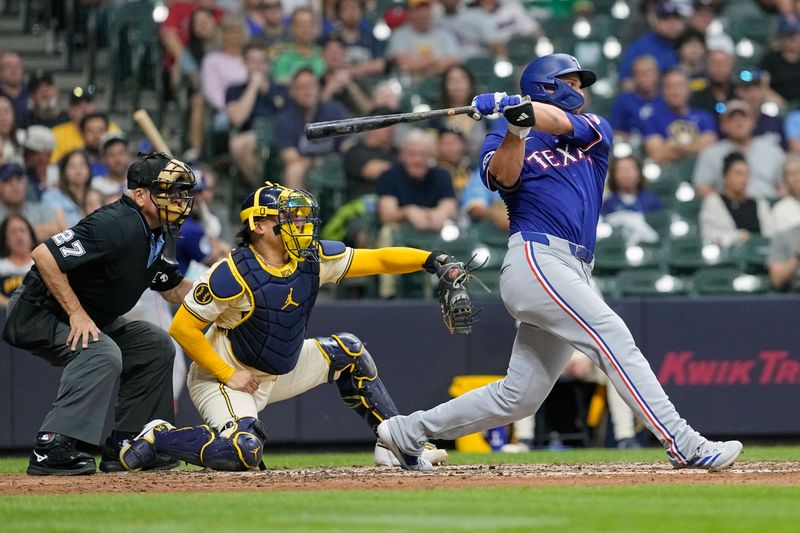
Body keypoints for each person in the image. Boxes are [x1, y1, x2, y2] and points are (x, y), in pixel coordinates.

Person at [375, 53, 744, 472]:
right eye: (572, 82)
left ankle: (404, 433)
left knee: (519, 397)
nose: (581, 90)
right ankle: (683, 442)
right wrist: (513, 126)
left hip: (574, 267)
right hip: (535, 259)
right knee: (612, 335)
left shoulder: (594, 130)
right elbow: (504, 178)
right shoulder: (502, 137)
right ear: (548, 84)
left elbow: (557, 122)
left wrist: (518, 109)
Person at [117, 183, 449, 472]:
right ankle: (160, 437)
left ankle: (395, 441)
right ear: (258, 225)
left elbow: (378, 259)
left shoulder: (312, 258)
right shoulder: (231, 273)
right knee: (243, 450)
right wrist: (227, 373)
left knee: (349, 351)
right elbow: (183, 328)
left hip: (278, 370)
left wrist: (431, 260)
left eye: (299, 216)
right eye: (287, 217)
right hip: (227, 378)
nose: (299, 223)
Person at [0, 153, 198, 476]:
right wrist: (77, 314)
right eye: (168, 191)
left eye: (180, 191)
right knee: (102, 352)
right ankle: (51, 446)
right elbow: (44, 255)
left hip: (89, 315)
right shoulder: (115, 224)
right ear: (140, 195)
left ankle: (129, 445)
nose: (178, 199)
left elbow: (175, 289)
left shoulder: (154, 232)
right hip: (39, 311)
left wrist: (225, 291)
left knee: (156, 345)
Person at [692, 99, 785, 200]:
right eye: (732, 119)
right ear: (723, 125)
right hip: (729, 208)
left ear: (753, 122)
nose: (739, 123)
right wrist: (724, 203)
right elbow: (701, 188)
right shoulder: (710, 153)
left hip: (768, 204)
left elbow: (786, 184)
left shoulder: (772, 150)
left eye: (743, 118)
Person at [640, 68, 717, 164]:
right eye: (670, 86)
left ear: (689, 89)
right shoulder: (652, 119)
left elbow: (710, 148)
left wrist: (674, 145)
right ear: (663, 91)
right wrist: (694, 145)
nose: (675, 91)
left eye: (680, 86)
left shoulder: (704, 117)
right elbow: (657, 154)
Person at [699, 152, 774, 248]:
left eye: (746, 174)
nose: (743, 179)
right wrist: (737, 236)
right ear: (725, 176)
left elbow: (770, 233)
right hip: (727, 258)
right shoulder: (713, 202)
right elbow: (709, 235)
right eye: (738, 174)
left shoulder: (758, 203)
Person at [42, 150, 92, 227]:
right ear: (63, 171)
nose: (78, 170)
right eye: (72, 166)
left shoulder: (94, 195)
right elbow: (63, 228)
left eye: (82, 165)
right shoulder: (52, 196)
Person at [0, 213, 36, 306]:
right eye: (13, 232)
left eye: (22, 230)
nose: (19, 236)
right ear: (6, 240)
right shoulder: (2, 266)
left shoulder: (40, 264)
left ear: (31, 236)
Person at [771, 155, 800, 232]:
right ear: (785, 181)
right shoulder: (779, 209)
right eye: (791, 174)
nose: (797, 177)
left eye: (799, 171)